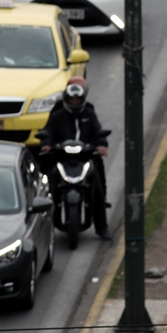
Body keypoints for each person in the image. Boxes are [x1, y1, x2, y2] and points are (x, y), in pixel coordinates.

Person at [37, 79, 110, 239]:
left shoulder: (89, 114)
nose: (75, 102)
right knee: (46, 190)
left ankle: (102, 227)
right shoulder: (57, 115)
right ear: (66, 99)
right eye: (72, 100)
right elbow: (48, 131)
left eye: (78, 99)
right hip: (62, 158)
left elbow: (98, 131)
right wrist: (47, 144)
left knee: (97, 189)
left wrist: (101, 145)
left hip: (84, 158)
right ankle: (42, 231)